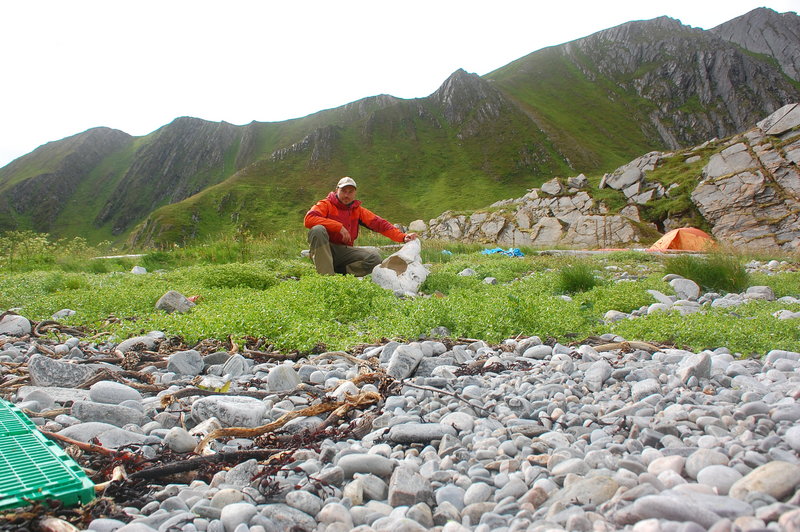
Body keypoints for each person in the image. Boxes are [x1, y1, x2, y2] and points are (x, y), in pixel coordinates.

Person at [304, 176, 418, 276]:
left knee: (375, 258)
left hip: (343, 252)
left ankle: (340, 273)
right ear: (336, 190)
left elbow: (381, 224)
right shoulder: (325, 204)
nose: (346, 195)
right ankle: (326, 277)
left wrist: (402, 237)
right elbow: (309, 219)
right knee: (317, 230)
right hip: (325, 248)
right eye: (343, 191)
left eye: (350, 192)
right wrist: (338, 226)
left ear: (355, 193)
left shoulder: (357, 210)